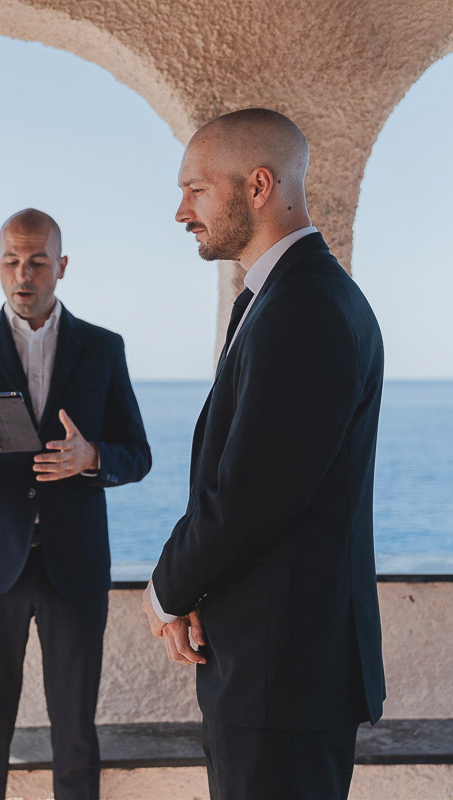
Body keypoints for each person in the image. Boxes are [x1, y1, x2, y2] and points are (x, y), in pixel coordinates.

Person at [140, 109, 386, 800]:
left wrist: (167, 589)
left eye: (195, 189)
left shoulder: (304, 306)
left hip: (283, 674)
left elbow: (252, 495)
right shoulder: (283, 296)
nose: (181, 211)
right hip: (272, 668)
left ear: (256, 185)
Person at [0, 209, 151, 800]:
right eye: (11, 261)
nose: (24, 275)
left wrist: (92, 458)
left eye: (38, 261)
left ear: (62, 267)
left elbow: (138, 454)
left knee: (75, 737)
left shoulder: (103, 348)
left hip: (73, 568)